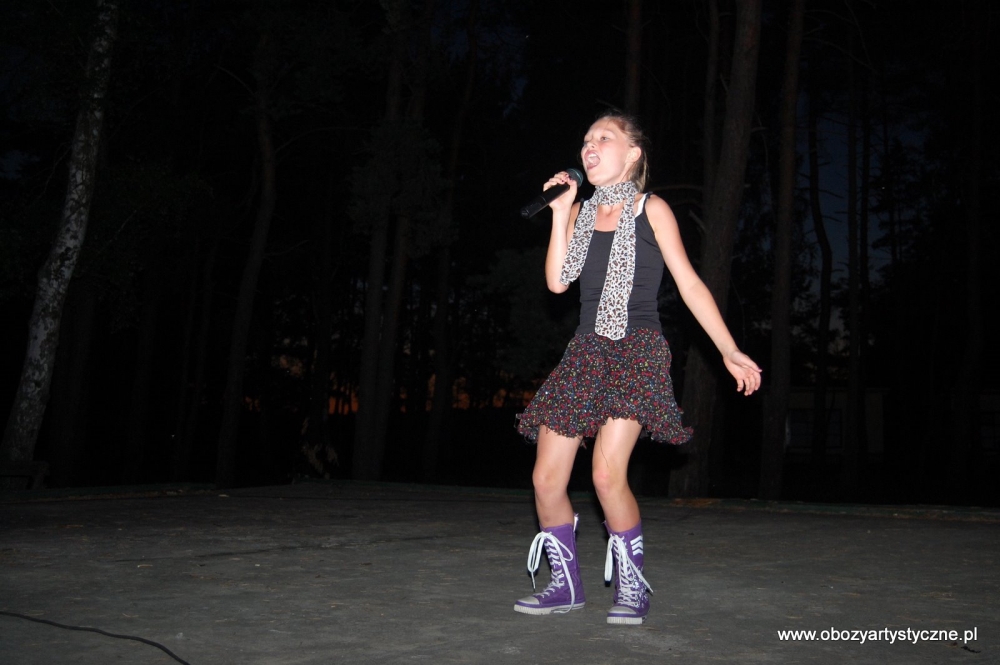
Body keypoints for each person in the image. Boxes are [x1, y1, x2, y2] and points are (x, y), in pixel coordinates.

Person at [513, 110, 761, 625]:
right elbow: (558, 282)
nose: (589, 146)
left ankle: (632, 585)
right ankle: (566, 587)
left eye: (604, 138)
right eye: (586, 139)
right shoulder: (579, 214)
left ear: (632, 154)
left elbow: (689, 283)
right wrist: (561, 213)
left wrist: (728, 348)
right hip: (585, 352)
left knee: (606, 475)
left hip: (636, 349)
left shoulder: (652, 208)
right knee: (545, 479)